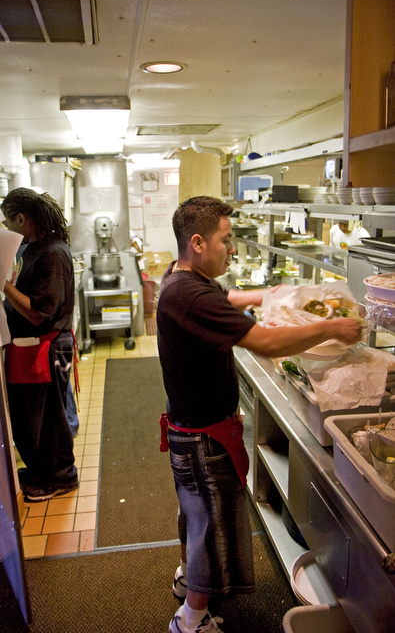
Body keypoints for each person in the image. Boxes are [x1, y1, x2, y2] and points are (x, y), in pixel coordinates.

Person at [156, 196, 362, 633]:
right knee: (210, 523)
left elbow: (226, 295)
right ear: (197, 242)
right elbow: (266, 343)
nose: (232, 249)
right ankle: (191, 619)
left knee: (195, 514)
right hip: (202, 437)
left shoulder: (180, 277)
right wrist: (331, 327)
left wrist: (273, 294)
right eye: (226, 240)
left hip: (190, 427)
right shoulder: (190, 296)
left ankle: (186, 577)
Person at [1, 188, 78, 502]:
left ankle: (61, 476)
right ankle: (39, 470)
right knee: (28, 418)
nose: (6, 229)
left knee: (48, 418)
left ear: (21, 218)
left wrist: (1, 283)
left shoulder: (52, 252)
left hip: (46, 348)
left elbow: (38, 313)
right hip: (26, 348)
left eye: (8, 222)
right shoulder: (27, 249)